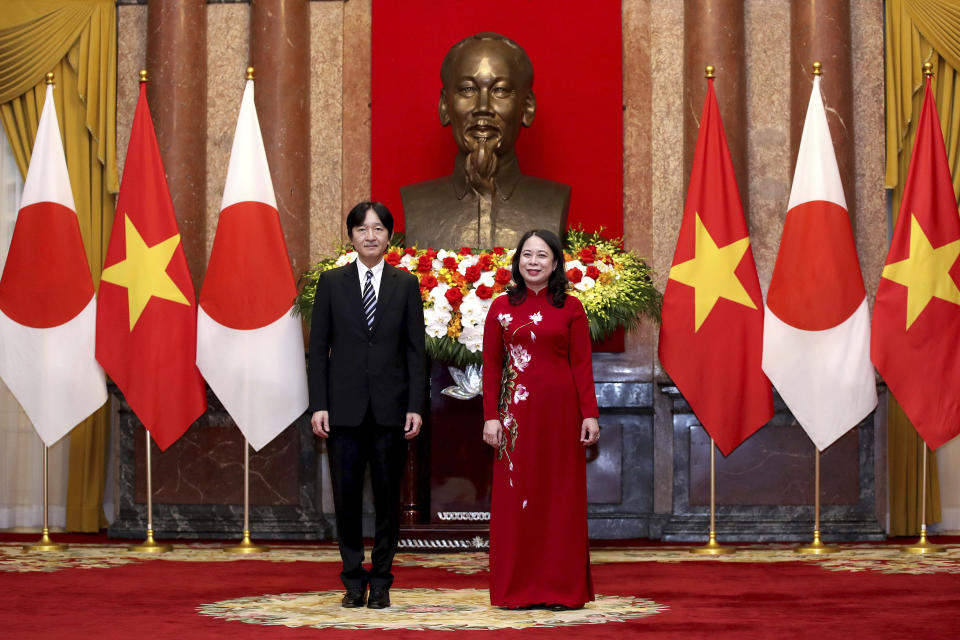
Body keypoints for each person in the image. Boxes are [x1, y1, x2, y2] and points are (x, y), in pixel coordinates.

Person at [308, 201, 427, 609]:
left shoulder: (405, 284)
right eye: (362, 229)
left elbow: (415, 352)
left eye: (378, 229)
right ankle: (352, 579)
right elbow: (317, 349)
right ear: (352, 236)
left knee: (387, 502)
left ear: (389, 237)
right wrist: (318, 404)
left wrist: (415, 405)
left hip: (391, 411)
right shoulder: (331, 283)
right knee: (346, 500)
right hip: (342, 411)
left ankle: (381, 580)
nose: (370, 236)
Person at [481, 229, 600, 609]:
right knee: (516, 499)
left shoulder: (572, 307)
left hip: (562, 416)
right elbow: (490, 367)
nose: (533, 262)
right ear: (517, 262)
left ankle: (560, 590)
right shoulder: (500, 307)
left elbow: (582, 366)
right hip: (515, 416)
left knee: (559, 498)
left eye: (542, 255)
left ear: (555, 263)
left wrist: (590, 414)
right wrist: (491, 417)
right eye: (527, 255)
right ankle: (515, 589)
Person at [401, 32, 569, 250]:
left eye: (500, 90)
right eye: (467, 89)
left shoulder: (553, 201)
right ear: (445, 106)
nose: (482, 107)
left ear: (527, 106)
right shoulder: (417, 203)